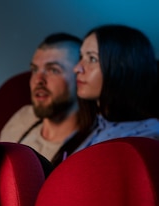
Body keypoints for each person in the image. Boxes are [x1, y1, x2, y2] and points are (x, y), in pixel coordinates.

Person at [52, 24, 159, 165]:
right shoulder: (87, 130)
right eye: (81, 57)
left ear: (122, 67)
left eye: (92, 59)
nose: (77, 68)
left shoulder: (146, 137)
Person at [0, 33, 81, 161]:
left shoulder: (94, 143)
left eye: (53, 70)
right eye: (35, 69)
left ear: (80, 78)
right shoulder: (22, 119)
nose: (38, 80)